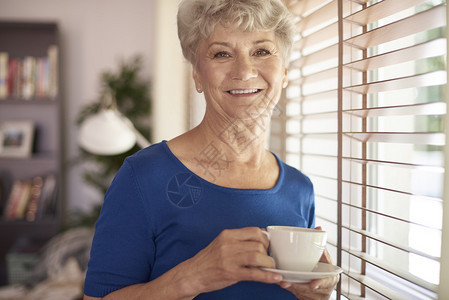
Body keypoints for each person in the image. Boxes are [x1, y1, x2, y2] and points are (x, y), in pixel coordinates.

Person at [83, 0, 340, 299]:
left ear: (283, 71)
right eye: (221, 53)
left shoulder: (299, 188)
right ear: (197, 75)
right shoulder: (143, 177)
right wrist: (192, 277)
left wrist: (312, 294)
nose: (244, 71)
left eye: (261, 51)